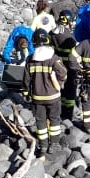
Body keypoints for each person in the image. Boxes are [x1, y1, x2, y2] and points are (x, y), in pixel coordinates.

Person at [25, 28, 67, 156]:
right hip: (53, 97)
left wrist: (26, 93)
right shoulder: (54, 59)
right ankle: (54, 144)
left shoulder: (30, 59)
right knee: (54, 120)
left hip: (37, 97)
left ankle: (43, 146)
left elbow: (26, 80)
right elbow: (63, 74)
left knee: (40, 121)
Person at [51, 10, 79, 117]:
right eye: (72, 21)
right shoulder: (69, 38)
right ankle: (67, 113)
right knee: (70, 89)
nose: (73, 23)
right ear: (68, 21)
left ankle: (58, 108)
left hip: (55, 65)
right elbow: (72, 56)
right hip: (68, 66)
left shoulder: (52, 32)